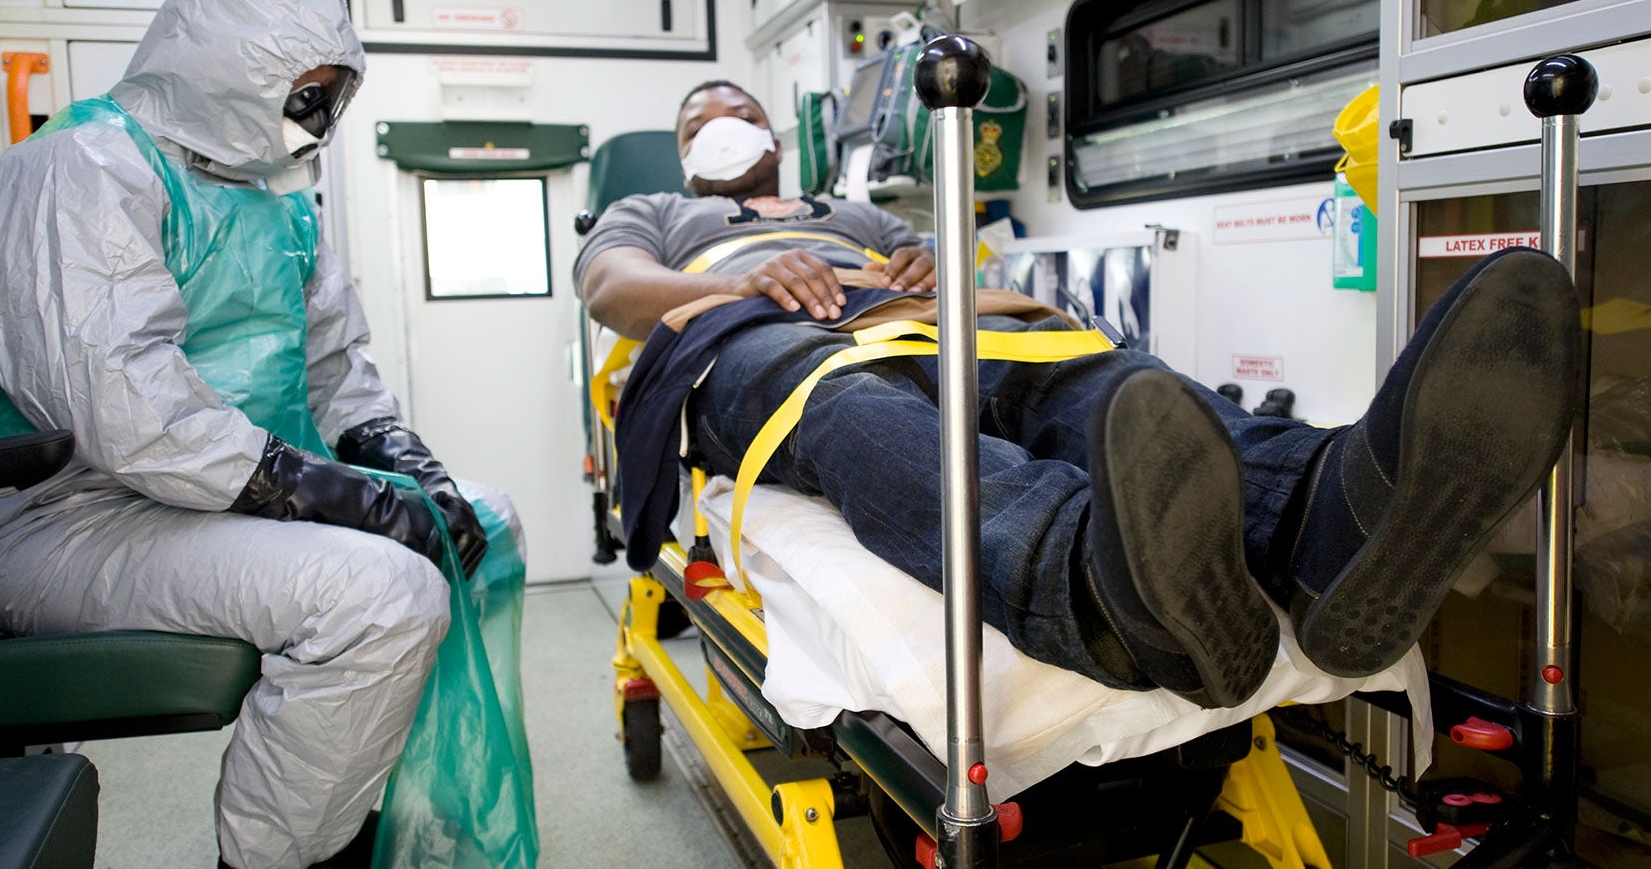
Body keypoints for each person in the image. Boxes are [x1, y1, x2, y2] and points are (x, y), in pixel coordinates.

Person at [0, 0, 492, 869]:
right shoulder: (82, 171)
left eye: (330, 92)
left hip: (205, 501)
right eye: (300, 88)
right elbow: (129, 410)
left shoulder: (280, 198)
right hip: (62, 518)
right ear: (224, 62)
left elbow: (338, 375)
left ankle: (339, 817)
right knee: (380, 589)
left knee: (466, 530)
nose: (313, 116)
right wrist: (346, 501)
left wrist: (413, 474)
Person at [576, 81, 1580, 708]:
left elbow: (938, 261)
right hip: (752, 337)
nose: (723, 124)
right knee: (850, 410)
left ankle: (1325, 512)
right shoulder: (659, 213)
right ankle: (1096, 590)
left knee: (1093, 370)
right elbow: (610, 289)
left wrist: (925, 256)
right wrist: (735, 280)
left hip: (916, 315)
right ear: (682, 154)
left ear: (771, 138)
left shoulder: (854, 212)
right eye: (700, 119)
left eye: (739, 111)